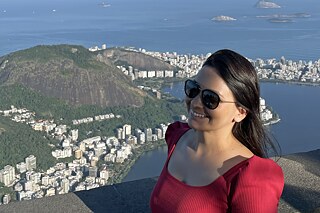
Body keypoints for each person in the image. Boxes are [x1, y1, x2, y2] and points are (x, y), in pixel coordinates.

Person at [150, 49, 284, 213]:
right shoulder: (176, 137)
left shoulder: (252, 177)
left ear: (240, 112)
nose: (196, 102)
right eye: (194, 89)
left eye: (211, 99)